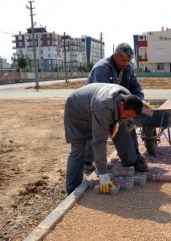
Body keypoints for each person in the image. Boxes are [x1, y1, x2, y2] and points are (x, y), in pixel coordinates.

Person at [64, 83, 150, 195]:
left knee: (122, 129)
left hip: (94, 105)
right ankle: (71, 190)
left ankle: (130, 162)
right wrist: (103, 175)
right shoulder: (103, 108)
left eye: (131, 117)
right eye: (128, 115)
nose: (128, 118)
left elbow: (127, 116)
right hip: (77, 111)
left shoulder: (127, 97)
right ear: (121, 105)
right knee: (78, 148)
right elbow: (99, 141)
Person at [84, 42, 145, 174]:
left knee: (129, 123)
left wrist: (138, 100)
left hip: (118, 101)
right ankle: (87, 161)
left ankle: (133, 155)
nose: (126, 63)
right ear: (115, 56)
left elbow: (135, 86)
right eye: (123, 60)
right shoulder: (101, 68)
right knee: (95, 130)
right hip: (96, 104)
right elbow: (101, 92)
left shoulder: (128, 69)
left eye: (129, 60)